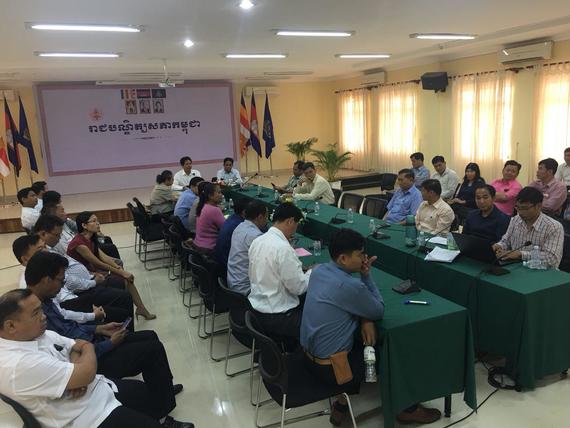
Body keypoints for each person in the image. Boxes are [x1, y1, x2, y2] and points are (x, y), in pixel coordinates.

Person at [0, 289, 193, 428]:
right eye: (36, 313)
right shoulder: (17, 365)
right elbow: (85, 369)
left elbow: (81, 344)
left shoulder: (36, 334)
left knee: (145, 392)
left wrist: (78, 366)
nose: (43, 317)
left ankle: (162, 416)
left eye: (41, 310)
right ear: (10, 326)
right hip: (87, 417)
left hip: (97, 389)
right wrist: (81, 370)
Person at [300, 229, 387, 425]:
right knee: (386, 352)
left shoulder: (319, 270)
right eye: (360, 254)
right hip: (331, 370)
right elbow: (378, 310)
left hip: (305, 356)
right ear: (343, 259)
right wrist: (366, 277)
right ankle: (406, 408)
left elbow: (345, 304)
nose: (364, 258)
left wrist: (364, 319)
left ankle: (341, 402)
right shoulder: (350, 286)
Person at [32, 215, 134, 324]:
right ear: (43, 234)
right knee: (123, 295)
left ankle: (135, 315)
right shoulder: (44, 257)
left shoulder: (52, 247)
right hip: (80, 291)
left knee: (120, 282)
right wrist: (94, 281)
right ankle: (127, 326)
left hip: (86, 283)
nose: (59, 238)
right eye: (57, 235)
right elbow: (68, 281)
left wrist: (94, 274)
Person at [12, 234, 126, 325]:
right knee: (121, 303)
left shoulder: (45, 266)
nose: (46, 251)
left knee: (119, 295)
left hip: (75, 299)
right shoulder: (30, 283)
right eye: (40, 250)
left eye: (45, 247)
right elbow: (58, 313)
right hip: (69, 307)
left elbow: (68, 282)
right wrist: (91, 315)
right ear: (25, 259)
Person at [67, 212, 155, 320]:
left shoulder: (90, 238)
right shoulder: (79, 243)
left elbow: (104, 257)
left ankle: (141, 308)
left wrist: (119, 269)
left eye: (97, 220)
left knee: (126, 277)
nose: (98, 223)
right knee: (125, 279)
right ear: (84, 225)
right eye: (94, 221)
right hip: (86, 278)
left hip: (93, 272)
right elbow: (97, 263)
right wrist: (121, 272)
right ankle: (139, 309)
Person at [248, 203, 311, 340]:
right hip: (279, 317)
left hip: (256, 310)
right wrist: (311, 273)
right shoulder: (283, 248)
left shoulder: (257, 241)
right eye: (296, 224)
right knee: (322, 323)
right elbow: (299, 288)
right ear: (290, 221)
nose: (295, 229)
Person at [493, 187, 564, 268]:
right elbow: (506, 241)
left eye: (525, 208)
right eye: (518, 207)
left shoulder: (553, 227)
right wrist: (498, 246)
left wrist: (521, 254)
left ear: (538, 206)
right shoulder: (515, 220)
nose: (520, 212)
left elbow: (552, 258)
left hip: (542, 272)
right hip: (516, 267)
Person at [227, 201, 268, 295]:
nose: (267, 220)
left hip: (233, 280)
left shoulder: (239, 227)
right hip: (245, 288)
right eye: (266, 217)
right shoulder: (255, 236)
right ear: (260, 217)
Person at [213, 197, 249, 265]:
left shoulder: (232, 217)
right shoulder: (239, 225)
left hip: (219, 258)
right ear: (244, 212)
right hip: (225, 263)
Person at [193, 182, 225, 255]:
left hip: (198, 245)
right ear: (210, 196)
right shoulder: (214, 210)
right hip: (209, 249)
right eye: (219, 192)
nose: (222, 195)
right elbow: (225, 229)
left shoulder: (203, 205)